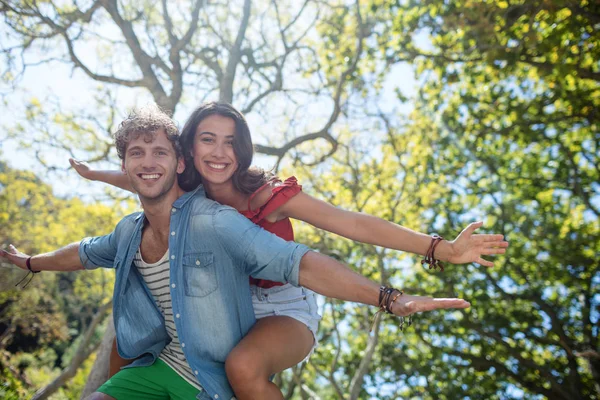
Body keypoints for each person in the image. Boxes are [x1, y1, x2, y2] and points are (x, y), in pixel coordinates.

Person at [67, 102, 508, 399]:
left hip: (282, 303)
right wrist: (99, 175)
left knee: (243, 369)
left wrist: (437, 248)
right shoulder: (188, 190)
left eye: (230, 141)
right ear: (187, 152)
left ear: (242, 148)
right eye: (207, 140)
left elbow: (351, 222)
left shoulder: (265, 195)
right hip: (223, 303)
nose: (220, 153)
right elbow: (144, 174)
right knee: (139, 335)